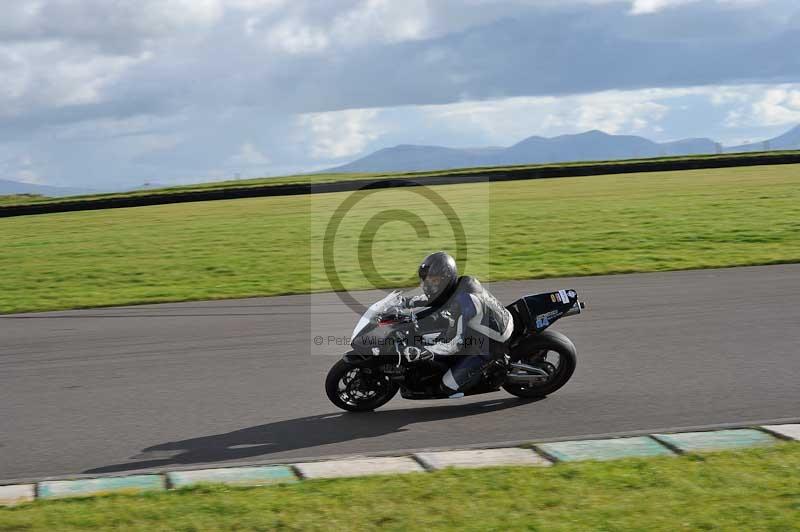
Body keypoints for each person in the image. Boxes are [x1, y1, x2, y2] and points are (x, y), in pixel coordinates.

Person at [402, 251, 514, 397]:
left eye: (434, 281)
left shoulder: (464, 304)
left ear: (446, 279)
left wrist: (425, 352)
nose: (429, 285)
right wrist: (404, 302)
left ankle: (486, 373)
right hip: (485, 324)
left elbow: (454, 345)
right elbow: (434, 298)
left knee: (447, 386)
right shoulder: (459, 285)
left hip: (491, 343)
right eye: (426, 280)